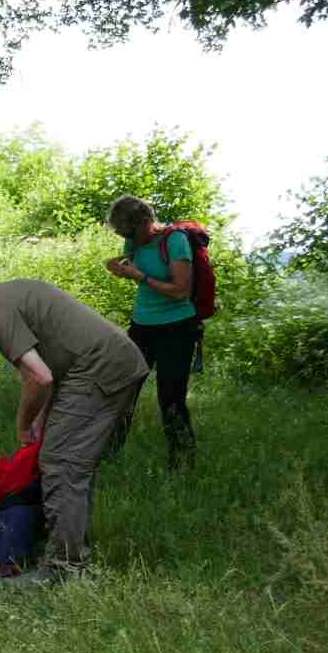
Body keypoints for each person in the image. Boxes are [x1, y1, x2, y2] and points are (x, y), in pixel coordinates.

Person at [0, 268, 148, 587]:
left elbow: (40, 377)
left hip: (99, 366)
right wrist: (41, 418)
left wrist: (23, 424)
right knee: (70, 461)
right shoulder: (3, 294)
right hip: (107, 361)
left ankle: (63, 569)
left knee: (61, 463)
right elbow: (52, 363)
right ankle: (69, 548)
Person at [103, 195, 200, 470]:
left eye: (131, 233)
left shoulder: (175, 241)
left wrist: (140, 277)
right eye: (123, 235)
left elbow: (181, 291)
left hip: (177, 328)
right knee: (124, 390)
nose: (128, 239)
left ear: (147, 221)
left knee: (170, 398)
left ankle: (182, 465)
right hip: (142, 326)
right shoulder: (133, 242)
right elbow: (134, 267)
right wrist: (120, 268)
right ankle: (109, 456)